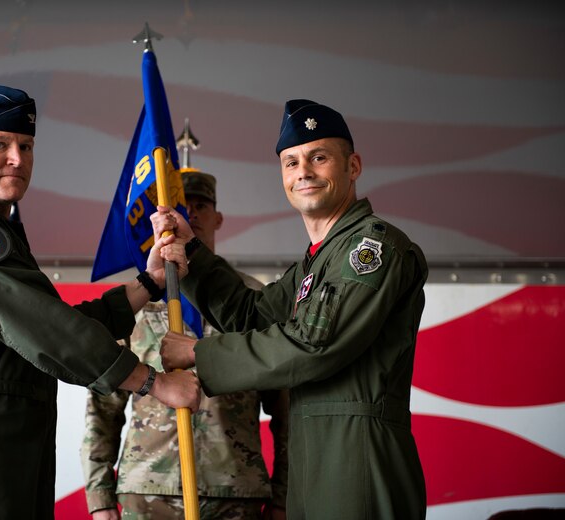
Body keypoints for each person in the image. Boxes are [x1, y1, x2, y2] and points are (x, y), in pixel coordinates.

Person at [0, 84, 201, 520]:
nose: (17, 158)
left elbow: (52, 323)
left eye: (26, 145)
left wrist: (147, 284)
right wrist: (155, 383)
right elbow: (50, 332)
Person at [155, 99, 428, 519]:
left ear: (352, 166)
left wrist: (197, 353)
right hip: (313, 454)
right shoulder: (317, 260)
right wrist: (191, 252)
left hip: (358, 452)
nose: (303, 172)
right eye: (291, 162)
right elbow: (253, 316)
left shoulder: (372, 247)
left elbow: (316, 344)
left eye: (319, 158)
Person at [81, 170, 289, 519]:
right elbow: (103, 407)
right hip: (148, 492)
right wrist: (100, 499)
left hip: (235, 491)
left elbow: (287, 411)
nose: (188, 215)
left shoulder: (252, 300)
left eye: (200, 205)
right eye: (178, 206)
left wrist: (284, 498)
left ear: (218, 217)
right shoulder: (138, 299)